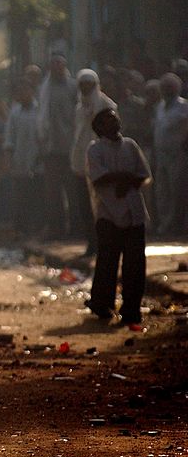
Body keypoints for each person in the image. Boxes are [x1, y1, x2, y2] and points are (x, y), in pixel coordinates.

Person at [84, 109, 151, 332]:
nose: (113, 123)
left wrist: (126, 181)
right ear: (99, 127)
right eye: (107, 120)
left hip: (133, 211)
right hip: (108, 212)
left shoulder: (130, 145)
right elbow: (99, 178)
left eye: (114, 118)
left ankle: (132, 310)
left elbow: (143, 174)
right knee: (108, 262)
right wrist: (124, 178)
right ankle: (102, 304)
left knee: (135, 264)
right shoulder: (95, 149)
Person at [70, 69, 118, 257]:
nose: (85, 88)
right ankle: (92, 243)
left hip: (103, 164)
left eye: (89, 85)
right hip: (82, 163)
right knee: (85, 207)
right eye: (82, 85)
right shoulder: (79, 108)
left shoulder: (106, 106)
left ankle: (106, 244)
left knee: (103, 207)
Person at [37, 53, 79, 240]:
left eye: (59, 65)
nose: (56, 68)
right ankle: (56, 229)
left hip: (70, 146)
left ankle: (75, 228)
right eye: (53, 65)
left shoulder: (73, 87)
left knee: (73, 190)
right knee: (52, 192)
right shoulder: (45, 88)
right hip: (51, 147)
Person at [2, 80, 42, 238]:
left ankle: (36, 230)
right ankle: (21, 231)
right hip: (19, 162)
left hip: (37, 162)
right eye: (20, 91)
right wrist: (8, 159)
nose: (23, 94)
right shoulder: (15, 112)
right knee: (20, 198)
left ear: (32, 91)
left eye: (26, 90)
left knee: (37, 197)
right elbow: (9, 138)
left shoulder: (40, 110)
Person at [152, 73, 188, 236]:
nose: (166, 90)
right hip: (161, 155)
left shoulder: (184, 107)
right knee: (162, 192)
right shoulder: (160, 106)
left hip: (178, 154)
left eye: (169, 87)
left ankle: (177, 225)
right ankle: (165, 225)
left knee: (177, 191)